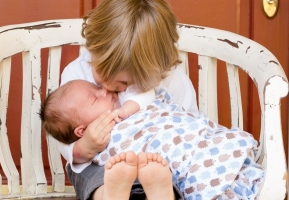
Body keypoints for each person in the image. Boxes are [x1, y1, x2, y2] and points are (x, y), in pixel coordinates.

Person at [56, 0, 199, 199]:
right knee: (88, 174)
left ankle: (161, 194)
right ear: (93, 49)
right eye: (101, 74)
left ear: (156, 70)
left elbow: (190, 124)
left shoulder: (172, 79)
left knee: (171, 173)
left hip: (158, 162)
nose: (108, 88)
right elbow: (63, 129)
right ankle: (108, 194)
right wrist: (84, 147)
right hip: (104, 165)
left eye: (124, 82)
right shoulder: (76, 73)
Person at [41, 80, 264, 199]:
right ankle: (120, 194)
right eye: (94, 98)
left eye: (97, 88)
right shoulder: (99, 131)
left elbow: (159, 106)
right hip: (149, 164)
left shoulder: (129, 98)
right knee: (105, 167)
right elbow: (78, 157)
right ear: (81, 130)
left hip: (193, 144)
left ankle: (156, 194)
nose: (105, 92)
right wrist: (85, 147)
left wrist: (129, 109)